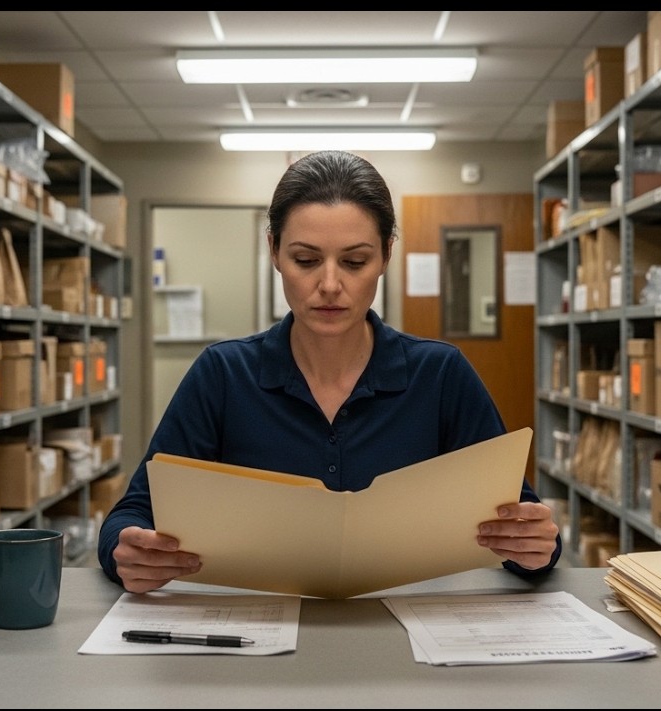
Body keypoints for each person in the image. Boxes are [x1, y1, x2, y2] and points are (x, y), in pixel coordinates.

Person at [97, 150, 560, 593]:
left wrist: (536, 546)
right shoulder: (222, 374)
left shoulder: (439, 374)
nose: (331, 285)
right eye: (306, 260)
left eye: (355, 261)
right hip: (255, 638)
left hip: (412, 638)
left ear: (386, 255)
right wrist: (126, 550)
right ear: (274, 251)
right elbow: (135, 510)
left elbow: (520, 518)